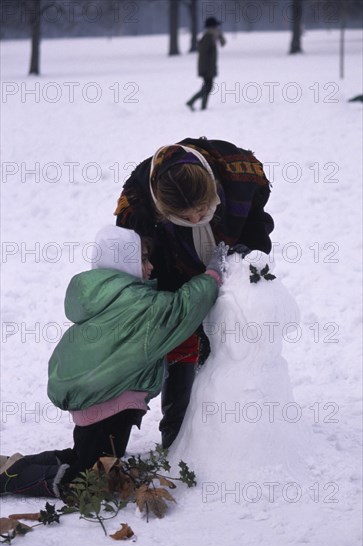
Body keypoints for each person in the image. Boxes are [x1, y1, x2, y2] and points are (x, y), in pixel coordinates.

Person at [0, 225, 228, 498]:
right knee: (91, 483)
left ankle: (16, 466)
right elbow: (181, 309)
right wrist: (212, 275)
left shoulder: (106, 298)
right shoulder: (139, 306)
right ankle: (10, 478)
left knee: (83, 458)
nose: (151, 267)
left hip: (97, 401)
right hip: (110, 406)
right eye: (143, 259)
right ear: (125, 262)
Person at [114, 136, 274, 448]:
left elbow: (257, 221)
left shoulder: (238, 173)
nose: (196, 219)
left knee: (231, 343)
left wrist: (250, 253)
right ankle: (178, 432)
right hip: (171, 274)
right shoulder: (137, 204)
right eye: (183, 217)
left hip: (229, 270)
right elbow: (133, 258)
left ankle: (232, 427)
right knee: (182, 343)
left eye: (201, 209)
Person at [186, 16, 226, 111]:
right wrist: (206, 69)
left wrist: (219, 36)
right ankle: (192, 102)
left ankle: (201, 105)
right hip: (207, 68)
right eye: (216, 27)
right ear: (212, 27)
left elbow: (223, 43)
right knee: (208, 87)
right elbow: (203, 53)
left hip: (209, 67)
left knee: (207, 87)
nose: (217, 28)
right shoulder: (208, 37)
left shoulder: (211, 37)